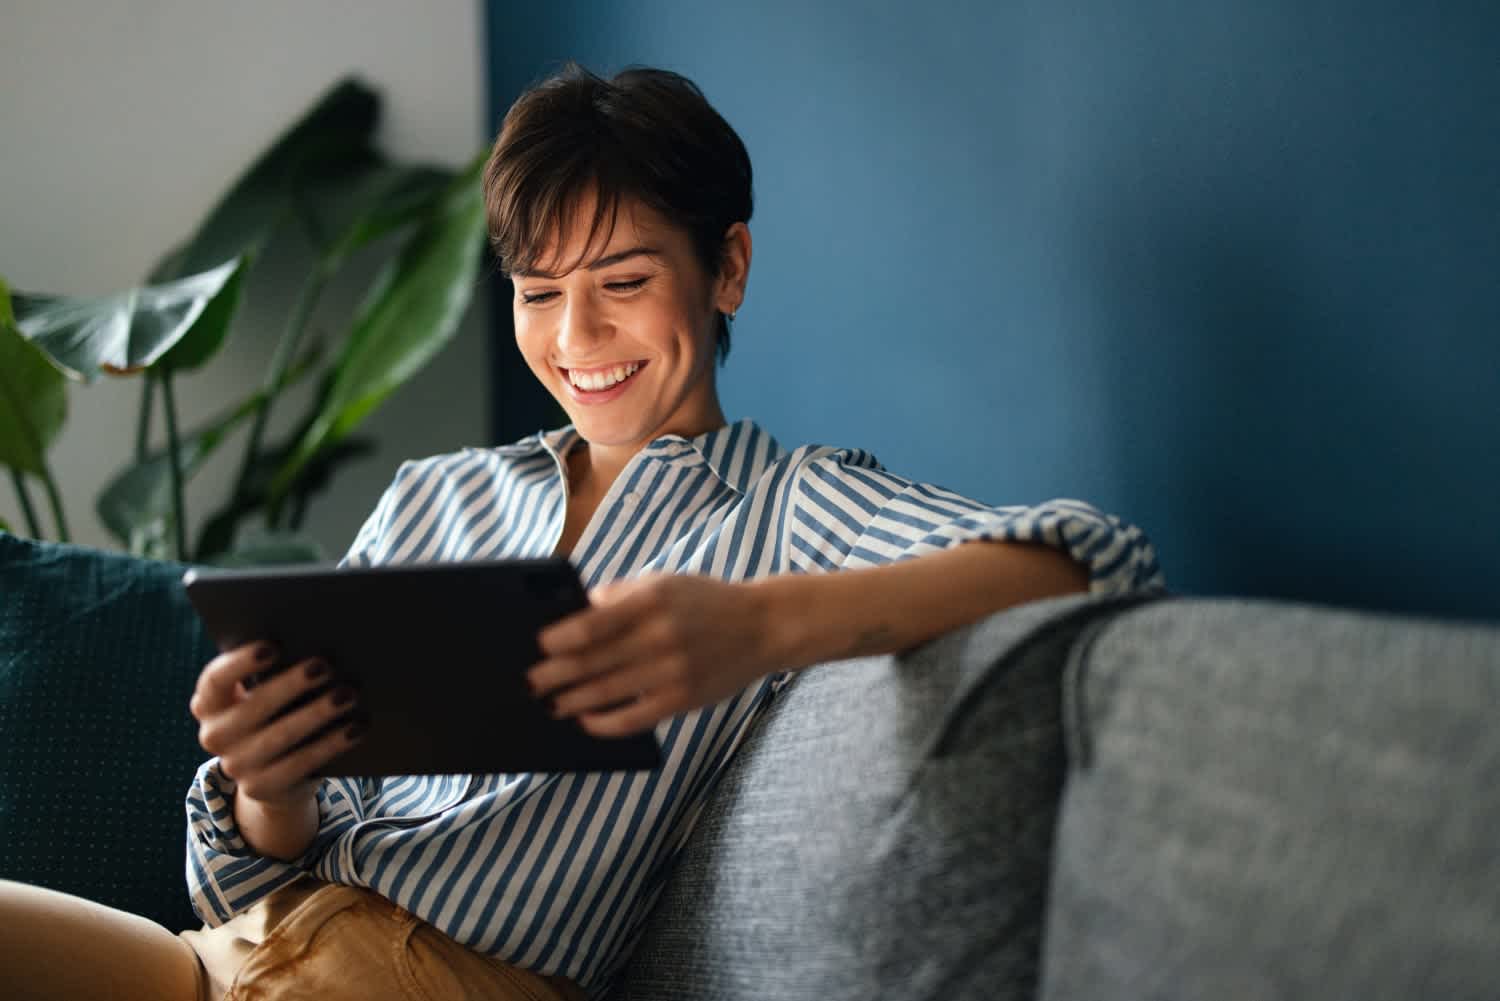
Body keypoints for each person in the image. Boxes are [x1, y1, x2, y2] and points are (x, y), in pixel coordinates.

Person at [0, 63, 1161, 1001]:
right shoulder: (439, 497)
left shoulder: (789, 505)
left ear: (729, 268)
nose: (577, 333)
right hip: (229, 956)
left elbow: (1090, 558)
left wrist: (757, 626)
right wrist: (271, 780)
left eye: (622, 278)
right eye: (538, 289)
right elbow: (253, 864)